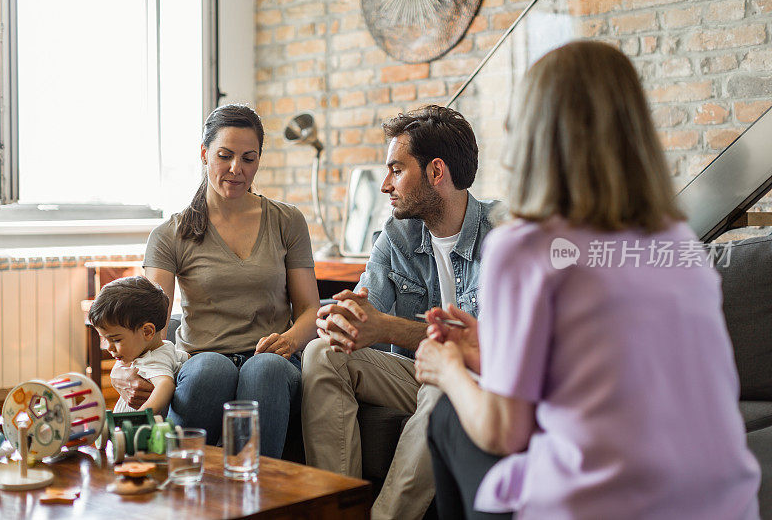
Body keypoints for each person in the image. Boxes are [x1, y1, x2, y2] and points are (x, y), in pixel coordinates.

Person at [416, 41, 761, 519]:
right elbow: (611, 372)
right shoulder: (679, 245)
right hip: (725, 504)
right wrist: (489, 347)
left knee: (450, 418)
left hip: (599, 508)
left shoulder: (525, 246)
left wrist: (448, 368)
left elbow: (503, 430)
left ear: (531, 134)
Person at [302, 105, 497, 520]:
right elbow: (363, 312)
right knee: (322, 355)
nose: (385, 184)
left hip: (477, 381)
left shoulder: (503, 236)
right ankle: (337, 511)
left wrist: (387, 328)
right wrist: (339, 319)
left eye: (396, 169)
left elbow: (494, 349)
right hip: (414, 375)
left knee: (445, 381)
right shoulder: (396, 235)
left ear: (436, 172)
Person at [112, 104, 320, 457]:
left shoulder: (287, 220)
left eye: (248, 159)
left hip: (272, 357)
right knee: (210, 370)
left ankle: (257, 495)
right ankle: (185, 483)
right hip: (201, 359)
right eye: (225, 156)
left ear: (258, 160)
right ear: (205, 154)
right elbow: (147, 323)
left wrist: (289, 341)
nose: (236, 169)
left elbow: (310, 308)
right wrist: (124, 369)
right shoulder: (170, 234)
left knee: (265, 370)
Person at [88, 276, 189, 415]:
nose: (109, 347)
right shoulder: (165, 348)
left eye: (116, 340)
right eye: (104, 339)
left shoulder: (153, 359)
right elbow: (186, 359)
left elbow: (165, 385)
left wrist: (140, 417)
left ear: (147, 332)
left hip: (134, 430)